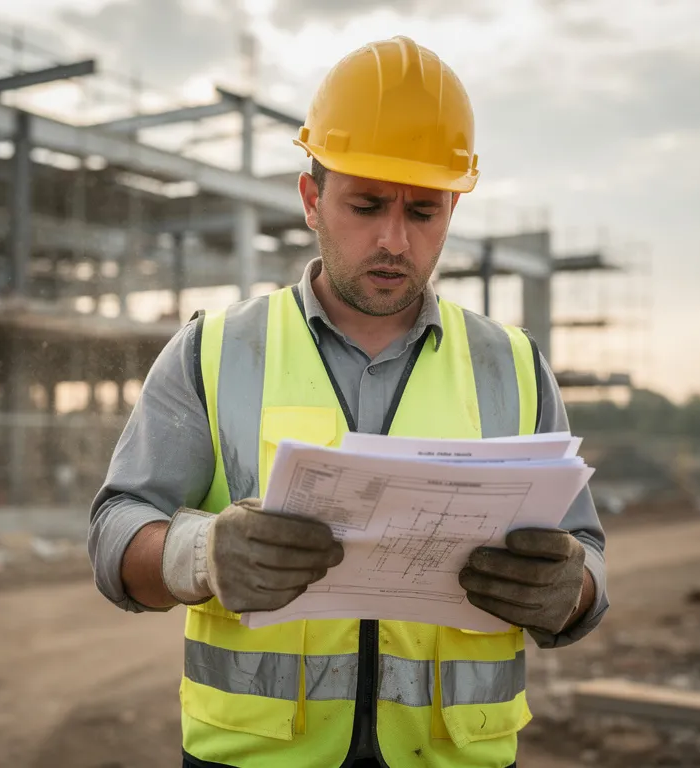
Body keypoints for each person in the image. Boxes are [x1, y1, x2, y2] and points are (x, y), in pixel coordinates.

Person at [87, 36, 610, 768]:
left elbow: (584, 556)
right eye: (366, 205)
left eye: (424, 212)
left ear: (454, 208)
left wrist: (571, 591)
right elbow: (115, 529)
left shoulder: (513, 367)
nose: (394, 239)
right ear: (311, 199)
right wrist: (197, 553)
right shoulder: (216, 350)